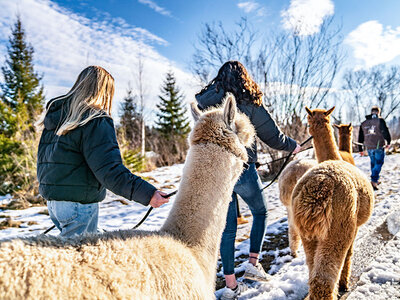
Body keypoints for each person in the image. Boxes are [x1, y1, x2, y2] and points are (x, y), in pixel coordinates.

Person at [195, 61, 301, 300]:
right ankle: (253, 264)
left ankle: (230, 286)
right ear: (244, 78)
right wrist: (292, 146)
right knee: (261, 212)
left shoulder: (206, 102)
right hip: (242, 169)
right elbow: (273, 137)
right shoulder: (249, 103)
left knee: (228, 226)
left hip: (216, 171)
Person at [36, 66, 169, 238]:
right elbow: (110, 170)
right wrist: (148, 194)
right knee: (80, 260)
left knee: (76, 251)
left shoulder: (60, 118)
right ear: (104, 92)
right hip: (78, 206)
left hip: (55, 205)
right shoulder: (95, 120)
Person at [358, 106, 391, 190]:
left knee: (373, 163)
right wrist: (388, 142)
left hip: (369, 147)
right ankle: (374, 180)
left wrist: (360, 149)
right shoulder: (380, 121)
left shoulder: (364, 123)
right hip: (378, 146)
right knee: (379, 163)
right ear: (378, 112)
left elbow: (360, 137)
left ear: (371, 112)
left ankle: (375, 179)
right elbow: (385, 131)